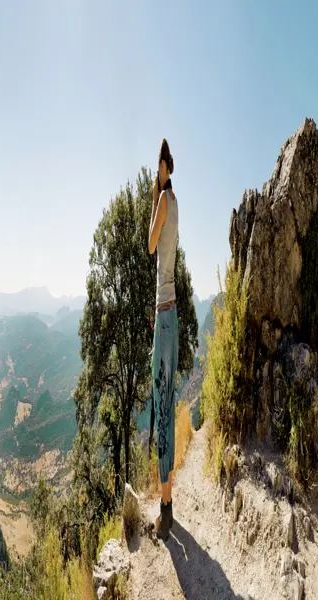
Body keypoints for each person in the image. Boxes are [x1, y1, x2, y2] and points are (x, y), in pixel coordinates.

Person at [147, 138, 179, 542]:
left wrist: (154, 198)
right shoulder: (179, 203)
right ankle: (168, 505)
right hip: (175, 313)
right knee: (169, 403)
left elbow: (150, 243)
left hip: (162, 313)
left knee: (159, 408)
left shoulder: (162, 199)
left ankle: (165, 512)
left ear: (163, 166)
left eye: (159, 166)